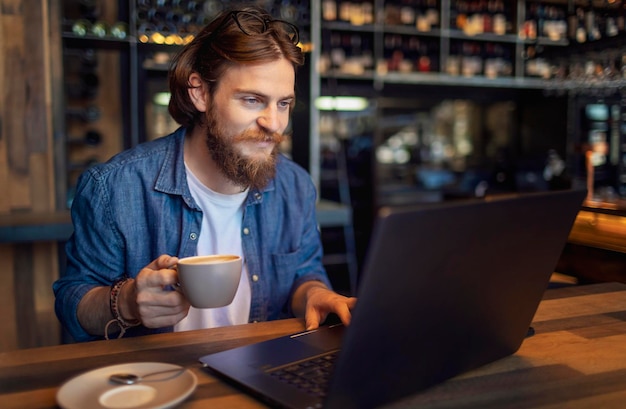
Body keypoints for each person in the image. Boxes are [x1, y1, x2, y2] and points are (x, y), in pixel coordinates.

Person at [53, 6, 357, 342]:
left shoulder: (294, 186)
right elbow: (72, 303)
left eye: (283, 103)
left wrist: (315, 294)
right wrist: (125, 302)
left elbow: (304, 272)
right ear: (199, 92)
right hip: (155, 383)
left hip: (261, 373)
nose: (274, 123)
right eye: (253, 100)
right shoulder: (114, 187)